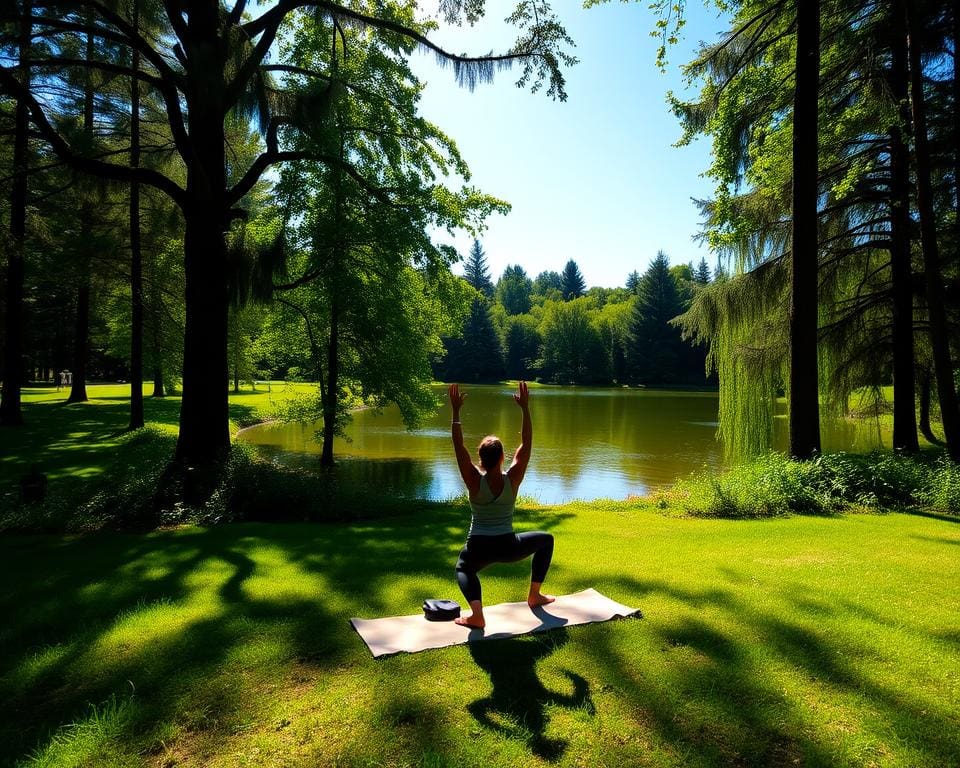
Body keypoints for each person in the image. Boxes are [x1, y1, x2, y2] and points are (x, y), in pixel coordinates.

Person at [449, 381, 555, 629]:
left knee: (463, 569)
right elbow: (526, 445)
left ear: (480, 459)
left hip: (479, 546)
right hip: (508, 546)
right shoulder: (513, 478)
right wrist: (525, 409)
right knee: (546, 539)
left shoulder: (473, 480)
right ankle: (534, 595)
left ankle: (477, 615)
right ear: (502, 457)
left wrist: (455, 411)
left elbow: (458, 447)